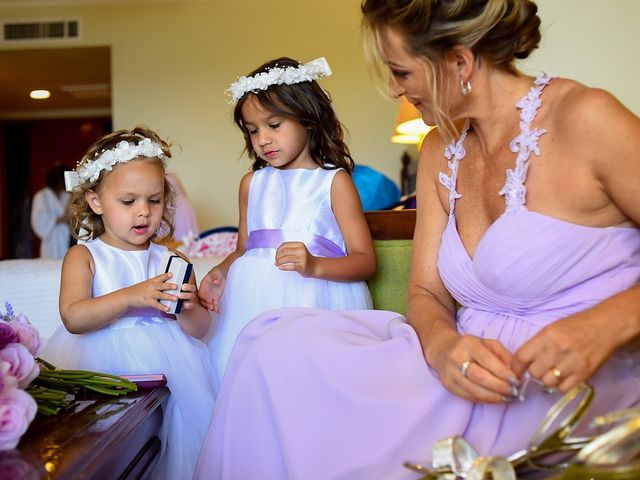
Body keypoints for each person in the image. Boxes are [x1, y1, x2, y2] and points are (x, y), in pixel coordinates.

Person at [194, 1, 640, 479]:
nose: (393, 89)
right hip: (461, 362)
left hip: (566, 383)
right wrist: (444, 346)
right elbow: (426, 292)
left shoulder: (587, 119)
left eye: (401, 72)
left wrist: (604, 326)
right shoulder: (439, 149)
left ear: (459, 63)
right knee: (272, 349)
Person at [40, 127, 216, 480]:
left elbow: (200, 331)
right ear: (95, 201)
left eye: (154, 200)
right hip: (99, 364)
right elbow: (74, 317)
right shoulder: (84, 255)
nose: (143, 213)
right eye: (128, 201)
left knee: (172, 446)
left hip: (170, 369)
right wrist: (131, 296)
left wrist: (191, 307)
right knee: (100, 449)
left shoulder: (172, 259)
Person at [198, 56, 376, 384]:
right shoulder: (252, 184)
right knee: (254, 384)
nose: (263, 139)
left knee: (307, 384)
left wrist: (314, 266)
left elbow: (365, 262)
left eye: (274, 125)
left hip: (315, 304)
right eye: (253, 130)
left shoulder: (333, 182)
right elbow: (243, 250)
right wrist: (220, 271)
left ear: (307, 119)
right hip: (252, 306)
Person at [30, 163, 71, 258]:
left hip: (66, 237)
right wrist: (58, 219)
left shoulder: (67, 196)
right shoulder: (41, 196)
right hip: (51, 240)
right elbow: (39, 220)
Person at [166, 171, 200, 242]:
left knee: (183, 241)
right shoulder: (172, 174)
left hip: (176, 208)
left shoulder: (161, 175)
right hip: (185, 206)